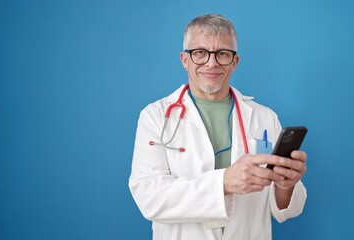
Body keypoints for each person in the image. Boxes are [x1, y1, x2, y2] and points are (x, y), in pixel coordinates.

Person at [129, 14, 307, 240]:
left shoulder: (265, 118)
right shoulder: (155, 117)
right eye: (200, 53)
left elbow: (281, 208)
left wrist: (286, 185)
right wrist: (223, 182)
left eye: (222, 54)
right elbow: (149, 198)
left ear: (235, 62)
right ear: (185, 60)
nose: (211, 63)